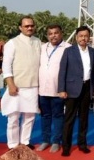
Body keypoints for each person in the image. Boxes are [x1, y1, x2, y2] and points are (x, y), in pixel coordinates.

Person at [0, 16, 42, 149]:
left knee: (30, 116)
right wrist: (10, 84)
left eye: (31, 25)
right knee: (13, 118)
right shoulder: (12, 43)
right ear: (20, 28)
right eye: (26, 26)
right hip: (17, 86)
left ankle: (25, 141)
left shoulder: (38, 42)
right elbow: (6, 65)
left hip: (33, 85)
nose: (29, 28)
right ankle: (12, 144)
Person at [57, 26, 94, 157]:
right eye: (81, 36)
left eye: (86, 36)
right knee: (69, 120)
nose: (83, 38)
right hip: (71, 90)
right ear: (76, 37)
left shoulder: (93, 52)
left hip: (87, 88)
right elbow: (62, 71)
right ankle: (66, 147)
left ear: (89, 37)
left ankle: (82, 144)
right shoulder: (69, 51)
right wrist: (61, 89)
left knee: (84, 119)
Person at [37, 24, 71, 152]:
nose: (53, 36)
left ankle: (56, 141)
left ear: (61, 33)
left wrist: (65, 89)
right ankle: (45, 140)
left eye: (56, 33)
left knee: (58, 116)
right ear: (47, 35)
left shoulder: (68, 48)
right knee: (45, 116)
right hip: (43, 90)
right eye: (50, 34)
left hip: (58, 90)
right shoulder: (42, 47)